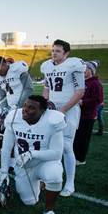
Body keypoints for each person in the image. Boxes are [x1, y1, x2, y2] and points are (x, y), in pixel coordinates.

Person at [0, 95, 66, 214]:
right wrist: (3, 170)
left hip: (44, 162)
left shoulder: (53, 121)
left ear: (42, 111)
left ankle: (49, 212)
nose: (25, 110)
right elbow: (7, 147)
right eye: (25, 105)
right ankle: (39, 185)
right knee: (30, 201)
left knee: (55, 175)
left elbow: (56, 153)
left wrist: (32, 153)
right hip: (23, 166)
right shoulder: (14, 118)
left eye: (31, 108)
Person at [41, 39, 86, 197]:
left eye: (58, 51)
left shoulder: (74, 65)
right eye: (53, 50)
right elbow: (46, 88)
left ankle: (70, 182)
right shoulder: (47, 66)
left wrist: (64, 109)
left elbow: (80, 91)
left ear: (66, 53)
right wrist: (45, 104)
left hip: (69, 110)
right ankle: (52, 176)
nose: (54, 53)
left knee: (67, 146)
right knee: (49, 145)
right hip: (53, 110)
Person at [73, 60, 103, 165]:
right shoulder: (82, 81)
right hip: (78, 114)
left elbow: (98, 100)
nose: (83, 71)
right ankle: (74, 156)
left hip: (88, 116)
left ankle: (81, 159)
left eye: (86, 69)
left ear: (91, 70)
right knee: (76, 137)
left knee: (83, 138)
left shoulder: (95, 83)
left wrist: (83, 102)